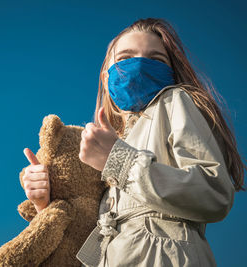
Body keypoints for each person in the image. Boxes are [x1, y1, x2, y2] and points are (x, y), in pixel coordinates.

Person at [22, 17, 246, 266]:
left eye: (156, 60)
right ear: (106, 77)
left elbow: (214, 193)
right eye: (127, 58)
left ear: (171, 72)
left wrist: (117, 159)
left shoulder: (174, 102)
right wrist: (45, 204)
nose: (140, 66)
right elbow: (90, 245)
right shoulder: (111, 140)